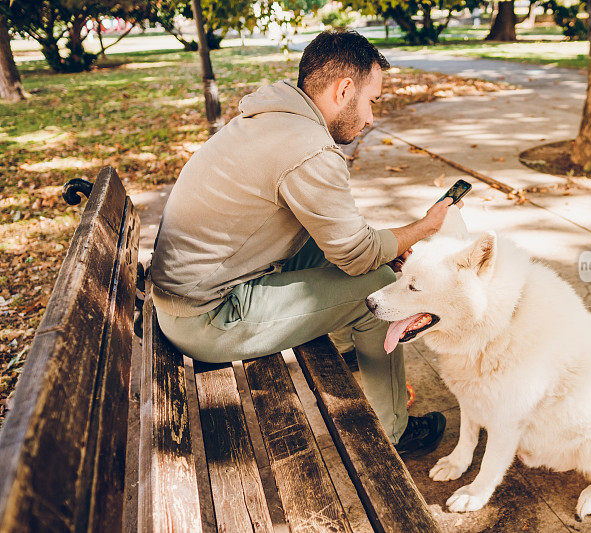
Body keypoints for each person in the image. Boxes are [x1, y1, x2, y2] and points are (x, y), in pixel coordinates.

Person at [149, 30, 458, 457]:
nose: (370, 118)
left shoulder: (271, 117)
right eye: (372, 102)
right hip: (206, 319)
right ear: (344, 89)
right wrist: (424, 228)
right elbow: (358, 255)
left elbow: (339, 234)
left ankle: (350, 349)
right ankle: (394, 433)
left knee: (377, 265)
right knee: (378, 292)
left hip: (188, 294)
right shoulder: (309, 149)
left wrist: (388, 245)